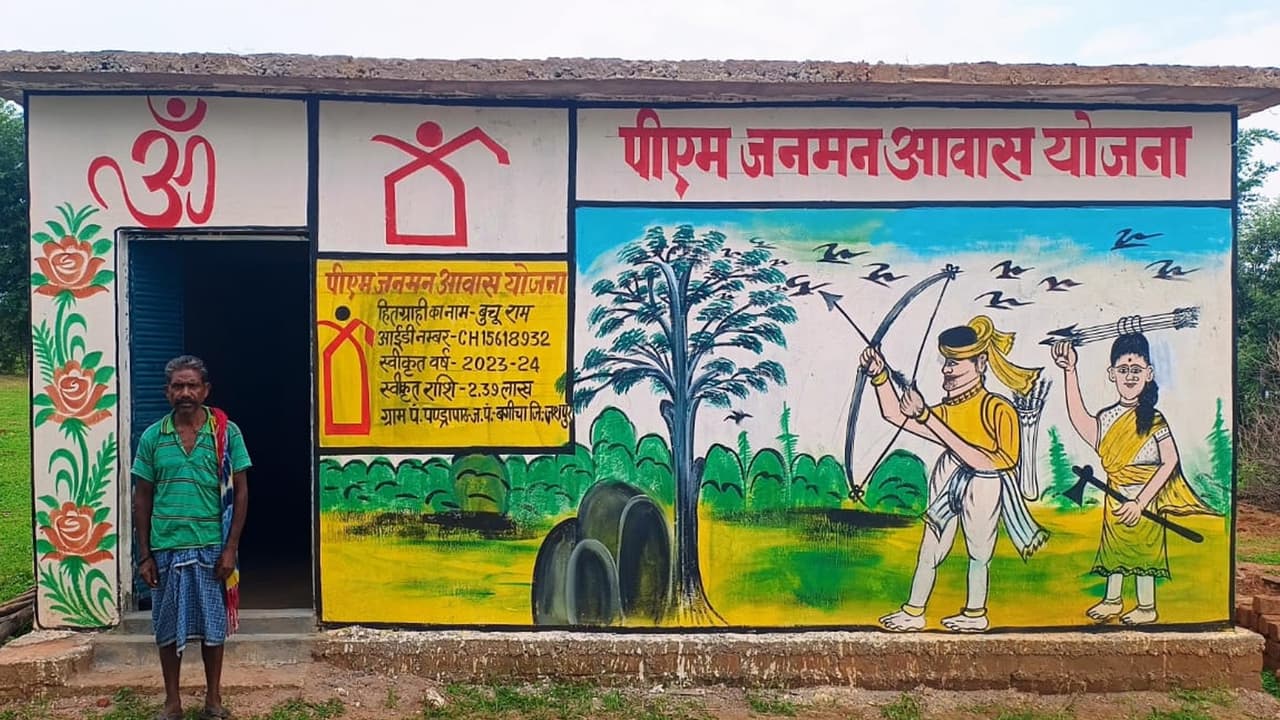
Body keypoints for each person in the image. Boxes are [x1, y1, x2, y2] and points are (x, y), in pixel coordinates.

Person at [862, 316, 1047, 633]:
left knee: (979, 551)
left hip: (985, 482)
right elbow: (895, 415)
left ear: (981, 364)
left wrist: (927, 417)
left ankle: (975, 613)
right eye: (946, 362)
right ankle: (914, 611)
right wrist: (880, 376)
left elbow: (994, 461)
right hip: (948, 474)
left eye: (955, 363)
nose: (946, 370)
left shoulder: (997, 408)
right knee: (930, 546)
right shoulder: (947, 411)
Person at [1051, 334, 1213, 625]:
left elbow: (1170, 461)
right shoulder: (1107, 417)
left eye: (1136, 370)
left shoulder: (1155, 420)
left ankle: (1146, 606)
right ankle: (1112, 600)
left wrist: (1140, 502)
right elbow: (1079, 419)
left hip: (1146, 500)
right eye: (1123, 369)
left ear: (1148, 373)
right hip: (1116, 497)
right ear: (1111, 373)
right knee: (1114, 550)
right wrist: (1070, 370)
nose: (1129, 376)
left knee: (1145, 554)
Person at [132, 355, 250, 720]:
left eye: (192, 385)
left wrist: (230, 548)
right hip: (166, 548)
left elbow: (241, 492)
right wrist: (144, 555)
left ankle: (213, 701)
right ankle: (173, 703)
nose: (185, 393)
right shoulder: (153, 437)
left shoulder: (226, 434)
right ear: (167, 392)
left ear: (206, 390)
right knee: (166, 629)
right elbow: (142, 497)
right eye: (178, 386)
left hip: (211, 547)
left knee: (213, 628)